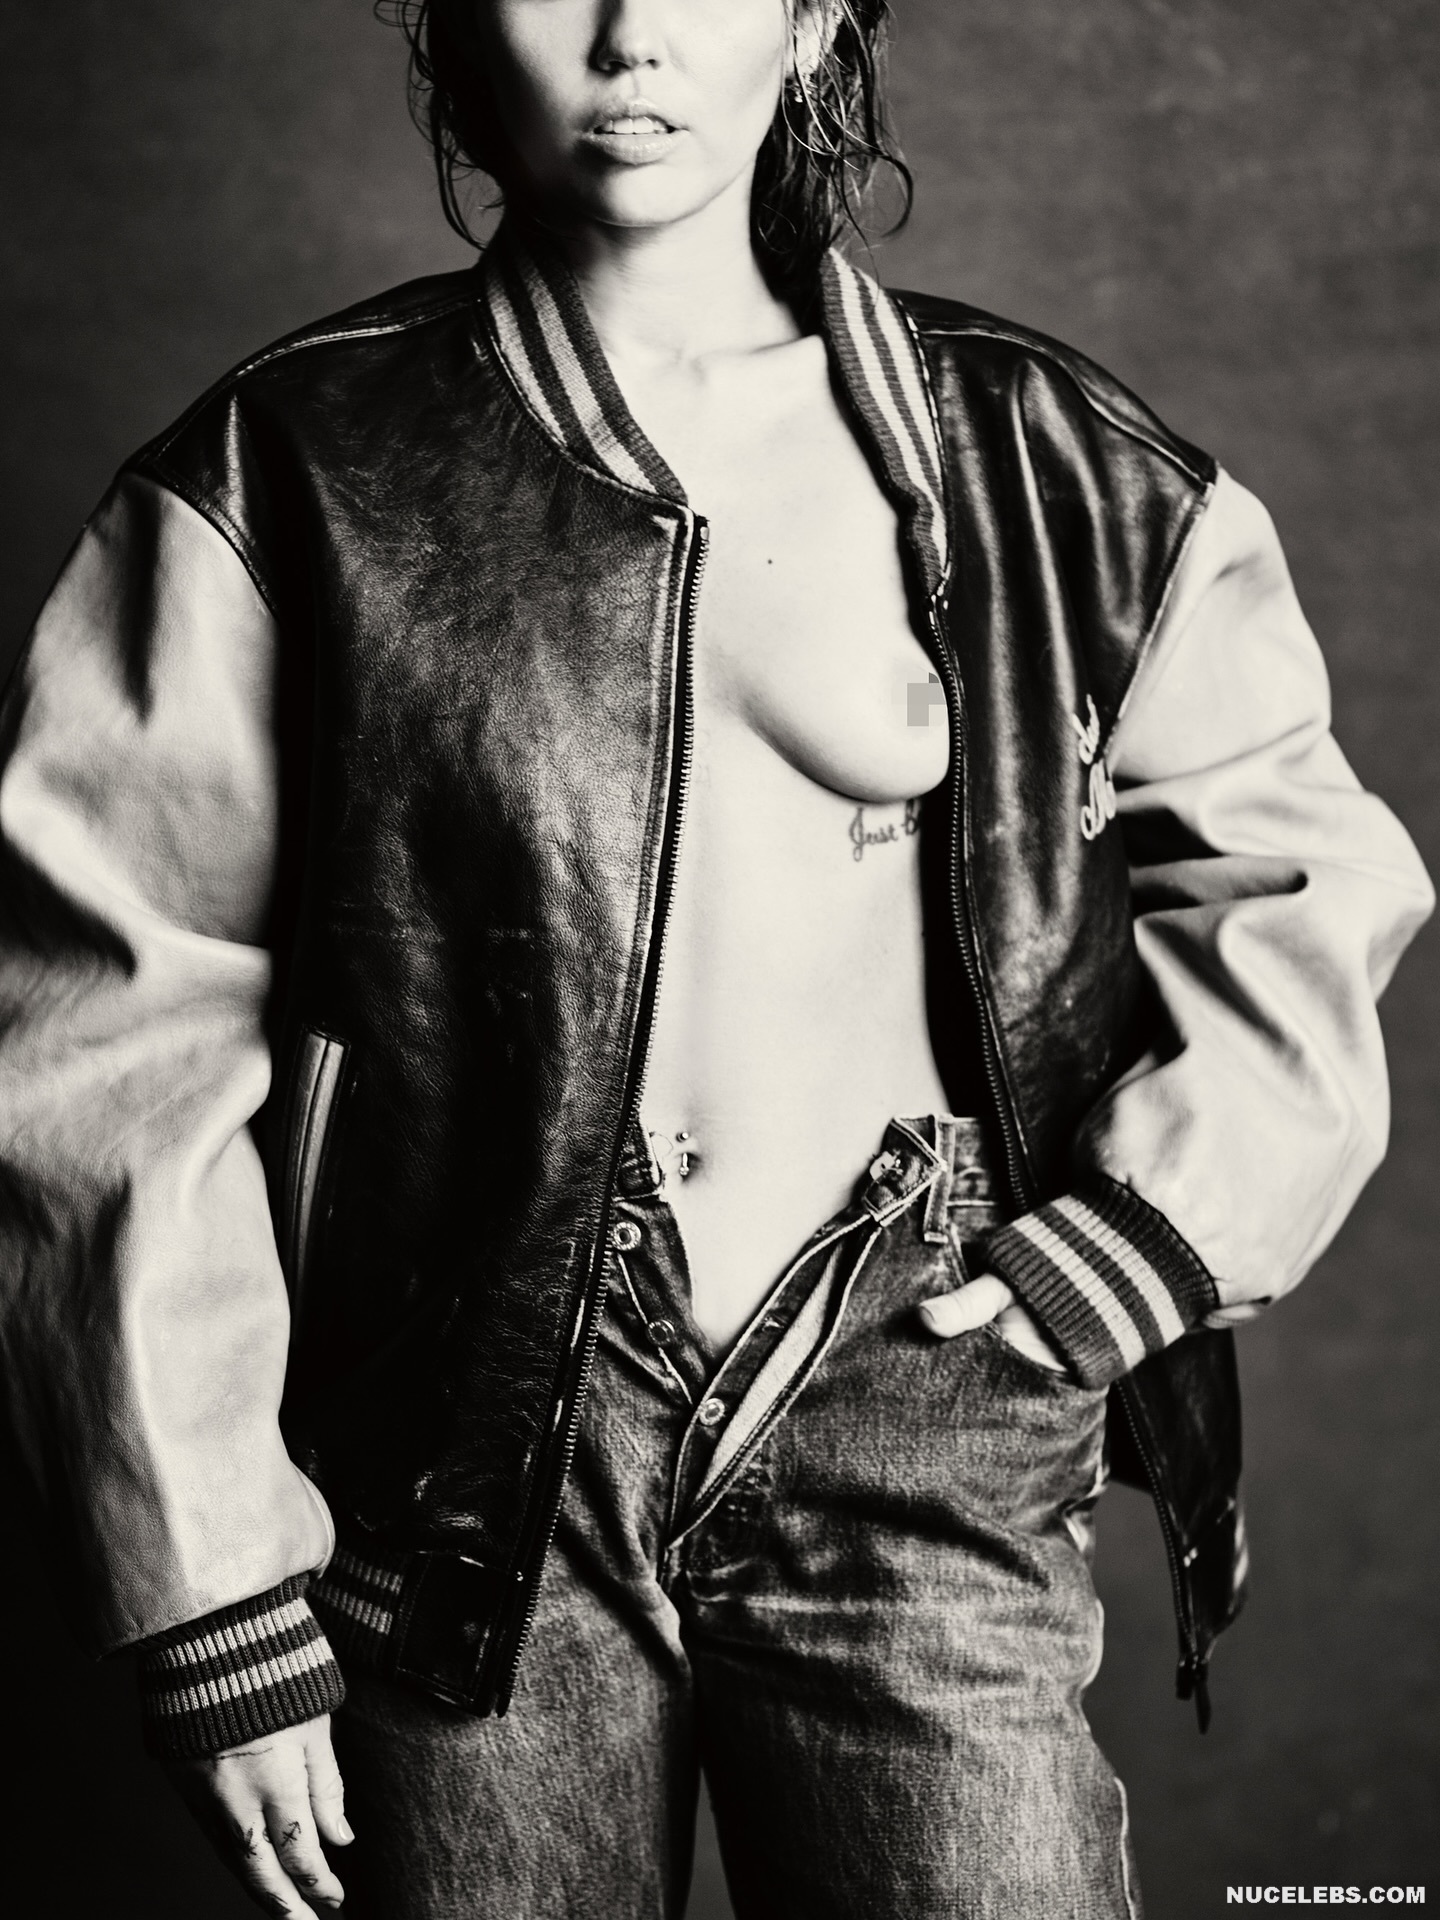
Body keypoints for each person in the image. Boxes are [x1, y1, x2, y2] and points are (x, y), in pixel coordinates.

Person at [0, 1, 1430, 1915]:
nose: (626, 37)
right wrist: (208, 1588)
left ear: (816, 12)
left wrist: (1150, 1240)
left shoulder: (1049, 457)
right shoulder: (293, 468)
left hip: (924, 1368)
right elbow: (107, 1028)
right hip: (469, 1434)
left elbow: (1301, 869)